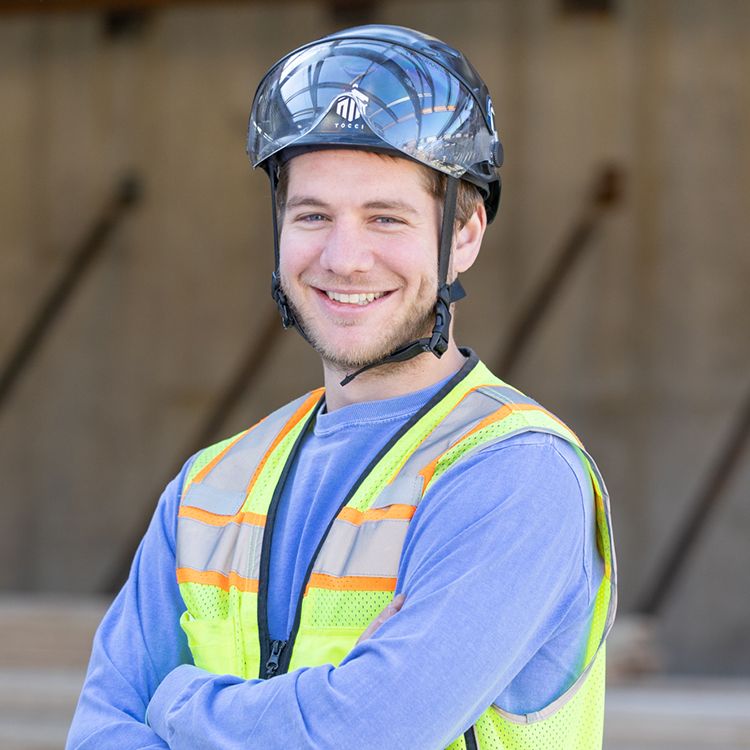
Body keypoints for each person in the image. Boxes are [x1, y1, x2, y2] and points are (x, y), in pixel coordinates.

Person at [67, 25, 616, 750]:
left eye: (386, 218)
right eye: (313, 216)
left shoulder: (515, 474)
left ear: (465, 234)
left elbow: (367, 732)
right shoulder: (209, 487)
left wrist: (177, 706)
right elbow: (101, 735)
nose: (344, 257)